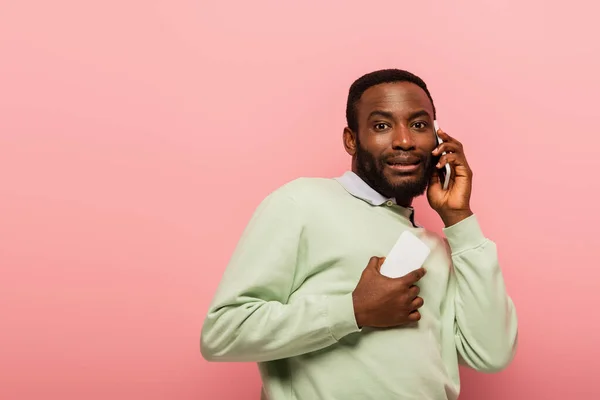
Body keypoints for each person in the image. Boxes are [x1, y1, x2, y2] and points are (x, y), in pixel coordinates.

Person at [200, 69, 518, 400]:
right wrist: (352, 311)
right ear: (352, 140)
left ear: (439, 140)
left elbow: (491, 354)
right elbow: (223, 332)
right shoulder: (303, 202)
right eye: (381, 125)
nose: (404, 140)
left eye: (419, 125)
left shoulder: (436, 248)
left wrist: (459, 219)